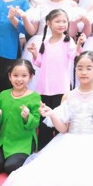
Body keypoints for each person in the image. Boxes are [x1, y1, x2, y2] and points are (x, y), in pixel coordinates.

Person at [3, 51, 93, 186]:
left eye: (88, 68)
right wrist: (52, 114)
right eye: (79, 68)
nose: (83, 72)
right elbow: (64, 129)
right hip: (70, 140)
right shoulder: (69, 96)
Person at [26, 9, 79, 148]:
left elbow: (75, 56)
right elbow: (39, 63)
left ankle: (60, 148)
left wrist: (79, 44)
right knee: (45, 119)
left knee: (59, 118)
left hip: (61, 87)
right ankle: (44, 147)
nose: (61, 24)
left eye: (64, 21)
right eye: (57, 21)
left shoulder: (68, 41)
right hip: (45, 87)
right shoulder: (46, 42)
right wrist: (34, 53)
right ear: (48, 23)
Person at [0, 60, 41, 174]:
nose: (19, 79)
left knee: (11, 167)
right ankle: (7, 159)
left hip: (23, 141)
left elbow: (35, 123)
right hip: (4, 140)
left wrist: (27, 117)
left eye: (24, 76)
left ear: (31, 77)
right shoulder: (3, 95)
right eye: (15, 75)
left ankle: (22, 157)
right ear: (9, 76)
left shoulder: (35, 96)